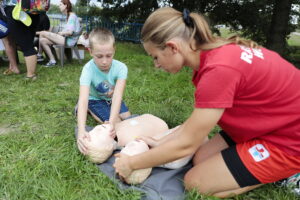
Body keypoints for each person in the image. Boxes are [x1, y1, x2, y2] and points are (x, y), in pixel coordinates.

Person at [113, 7, 300, 198]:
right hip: (266, 123)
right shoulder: (213, 54)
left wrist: (131, 164)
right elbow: (195, 122)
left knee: (195, 183)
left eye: (156, 57)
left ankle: (286, 174)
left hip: (289, 140)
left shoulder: (218, 70)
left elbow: (186, 144)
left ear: (172, 47)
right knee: (200, 158)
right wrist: (159, 142)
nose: (156, 64)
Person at [76, 27, 132, 155]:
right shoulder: (87, 69)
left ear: (114, 50)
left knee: (128, 119)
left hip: (111, 99)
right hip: (94, 100)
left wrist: (111, 122)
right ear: (90, 51)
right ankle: (89, 110)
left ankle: (106, 117)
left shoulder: (121, 68)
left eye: (109, 55)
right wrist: (81, 130)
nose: (105, 61)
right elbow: (83, 99)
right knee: (117, 126)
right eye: (99, 56)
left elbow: (117, 96)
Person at [3, 0, 40, 79]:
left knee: (26, 45)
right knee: (28, 42)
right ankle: (30, 73)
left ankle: (31, 75)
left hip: (17, 10)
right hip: (33, 9)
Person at [37, 0, 80, 67]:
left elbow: (70, 32)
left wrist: (61, 33)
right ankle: (52, 61)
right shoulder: (69, 16)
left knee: (42, 33)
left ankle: (39, 55)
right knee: (42, 41)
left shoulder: (72, 16)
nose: (59, 6)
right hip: (65, 39)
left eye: (60, 5)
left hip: (68, 40)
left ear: (65, 6)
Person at [0, 3, 20, 75]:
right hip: (13, 11)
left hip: (5, 12)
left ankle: (14, 68)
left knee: (7, 42)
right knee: (11, 41)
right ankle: (12, 66)